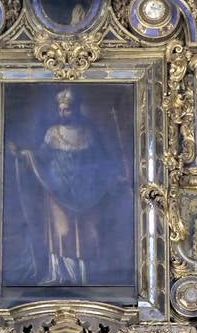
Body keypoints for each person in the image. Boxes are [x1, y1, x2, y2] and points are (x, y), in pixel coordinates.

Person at [9, 87, 124, 286]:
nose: (63, 113)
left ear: (76, 109)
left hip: (87, 192)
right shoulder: (52, 133)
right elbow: (42, 156)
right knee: (61, 232)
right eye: (60, 110)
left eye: (67, 110)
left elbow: (101, 159)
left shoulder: (88, 133)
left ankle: (83, 276)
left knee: (88, 232)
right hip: (56, 189)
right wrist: (22, 155)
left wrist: (115, 175)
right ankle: (61, 274)